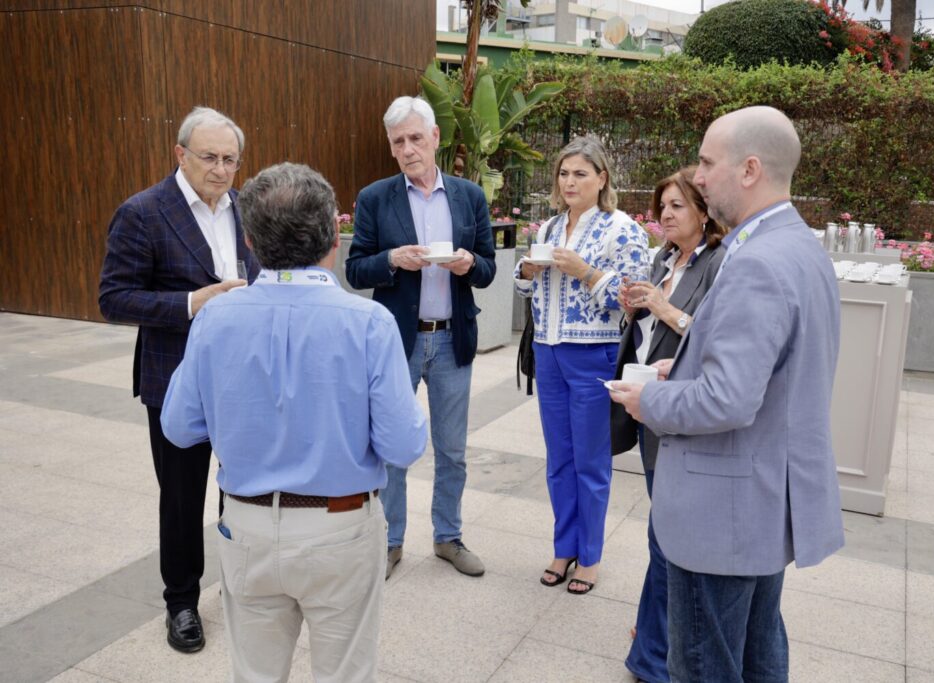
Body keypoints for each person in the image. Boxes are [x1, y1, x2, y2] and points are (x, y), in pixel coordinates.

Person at [161, 162, 427, 682]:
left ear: (250, 240)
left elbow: (179, 427)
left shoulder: (216, 316)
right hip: (341, 526)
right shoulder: (369, 322)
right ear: (332, 237)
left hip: (247, 524)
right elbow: (403, 445)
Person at [610, 106, 845, 682]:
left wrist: (648, 401)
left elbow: (728, 400)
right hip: (758, 504)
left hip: (722, 516)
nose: (699, 177)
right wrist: (686, 368)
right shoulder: (798, 246)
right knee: (758, 656)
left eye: (708, 163)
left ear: (750, 170)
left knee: (705, 665)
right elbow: (772, 374)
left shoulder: (756, 262)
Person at [98, 106, 258, 653]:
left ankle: (241, 584)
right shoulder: (143, 212)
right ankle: (183, 602)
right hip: (175, 380)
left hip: (241, 380)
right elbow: (114, 298)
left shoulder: (246, 208)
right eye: (209, 157)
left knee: (243, 489)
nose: (221, 169)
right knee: (182, 498)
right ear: (180, 154)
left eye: (231, 160)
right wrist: (193, 302)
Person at [346, 96, 496, 580]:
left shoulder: (469, 196)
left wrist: (469, 264)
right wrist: (392, 260)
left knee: (452, 449)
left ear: (434, 137)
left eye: (415, 138)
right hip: (398, 342)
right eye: (398, 142)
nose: (408, 149)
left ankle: (448, 536)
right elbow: (355, 269)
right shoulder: (375, 198)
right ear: (391, 148)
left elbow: (489, 268)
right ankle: (389, 541)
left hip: (453, 340)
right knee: (393, 447)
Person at [514, 136, 650, 595]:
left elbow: (635, 298)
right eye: (564, 173)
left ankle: (589, 556)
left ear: (602, 178)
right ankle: (564, 547)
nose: (569, 182)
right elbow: (526, 290)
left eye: (580, 174)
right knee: (559, 459)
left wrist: (586, 272)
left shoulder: (622, 229)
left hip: (593, 354)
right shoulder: (550, 229)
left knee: (590, 461)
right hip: (548, 352)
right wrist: (525, 274)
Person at [610, 167, 727, 683]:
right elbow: (648, 329)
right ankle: (655, 638)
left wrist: (662, 306)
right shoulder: (663, 258)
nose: (666, 214)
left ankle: (654, 654)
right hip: (646, 401)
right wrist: (634, 309)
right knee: (663, 531)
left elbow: (713, 336)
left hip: (679, 407)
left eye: (677, 206)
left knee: (666, 535)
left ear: (704, 211)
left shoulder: (720, 263)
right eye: (662, 206)